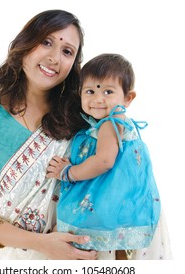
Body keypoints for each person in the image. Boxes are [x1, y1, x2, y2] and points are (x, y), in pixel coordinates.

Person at [0, 9, 98, 260]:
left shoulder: (83, 116)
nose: (54, 57)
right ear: (25, 44)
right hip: (22, 259)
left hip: (87, 252)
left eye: (67, 51)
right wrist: (41, 244)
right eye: (47, 42)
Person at [47, 53, 172, 260]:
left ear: (128, 98)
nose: (98, 99)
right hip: (126, 202)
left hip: (107, 204)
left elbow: (104, 161)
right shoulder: (107, 124)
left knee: (103, 254)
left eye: (107, 91)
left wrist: (69, 172)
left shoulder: (109, 123)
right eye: (90, 91)